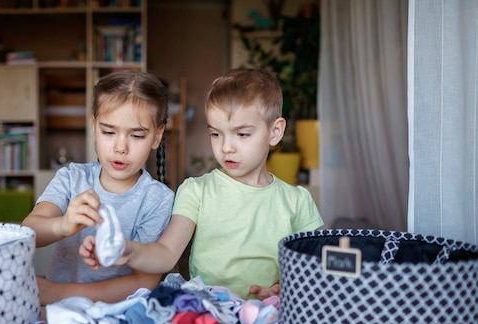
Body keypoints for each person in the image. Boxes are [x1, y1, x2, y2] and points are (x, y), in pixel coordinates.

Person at [80, 68, 324, 300]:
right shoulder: (196, 191)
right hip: (207, 312)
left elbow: (318, 269)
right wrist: (128, 250)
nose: (226, 147)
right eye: (216, 134)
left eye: (242, 134)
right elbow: (166, 254)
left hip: (271, 316)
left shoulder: (297, 201)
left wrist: (286, 289)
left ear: (275, 132)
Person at [23, 70, 174, 305]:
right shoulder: (72, 178)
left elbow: (144, 282)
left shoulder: (158, 199)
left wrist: (59, 293)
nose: (120, 147)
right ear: (94, 127)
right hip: (58, 312)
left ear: (157, 136)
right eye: (109, 132)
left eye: (136, 136)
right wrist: (62, 225)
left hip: (117, 315)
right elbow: (28, 232)